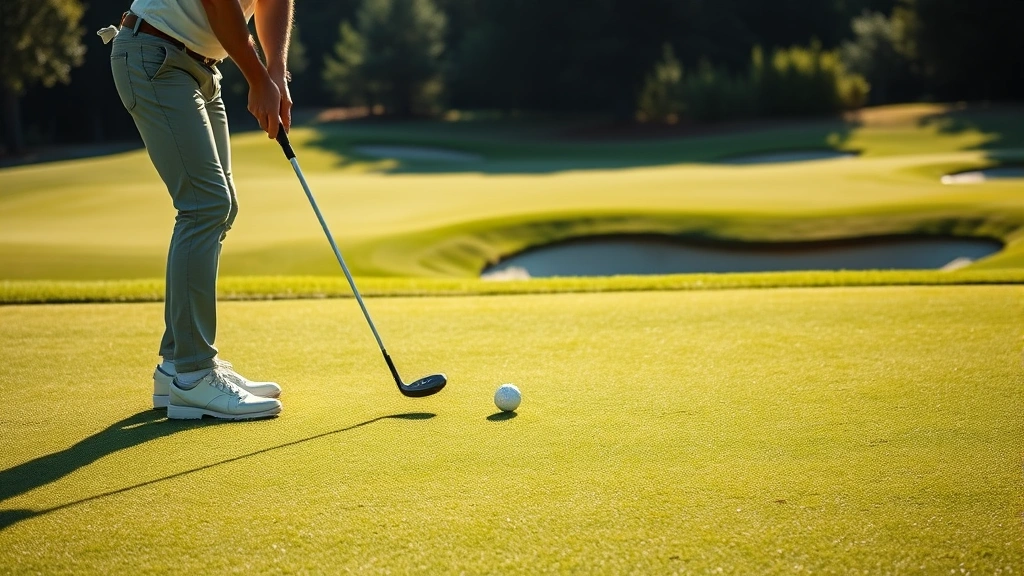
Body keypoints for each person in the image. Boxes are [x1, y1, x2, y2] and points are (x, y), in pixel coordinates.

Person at [103, 0, 293, 420]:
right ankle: (193, 375)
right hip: (154, 54)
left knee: (220, 208)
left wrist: (277, 72)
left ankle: (176, 366)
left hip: (200, 67)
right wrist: (258, 78)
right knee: (205, 205)